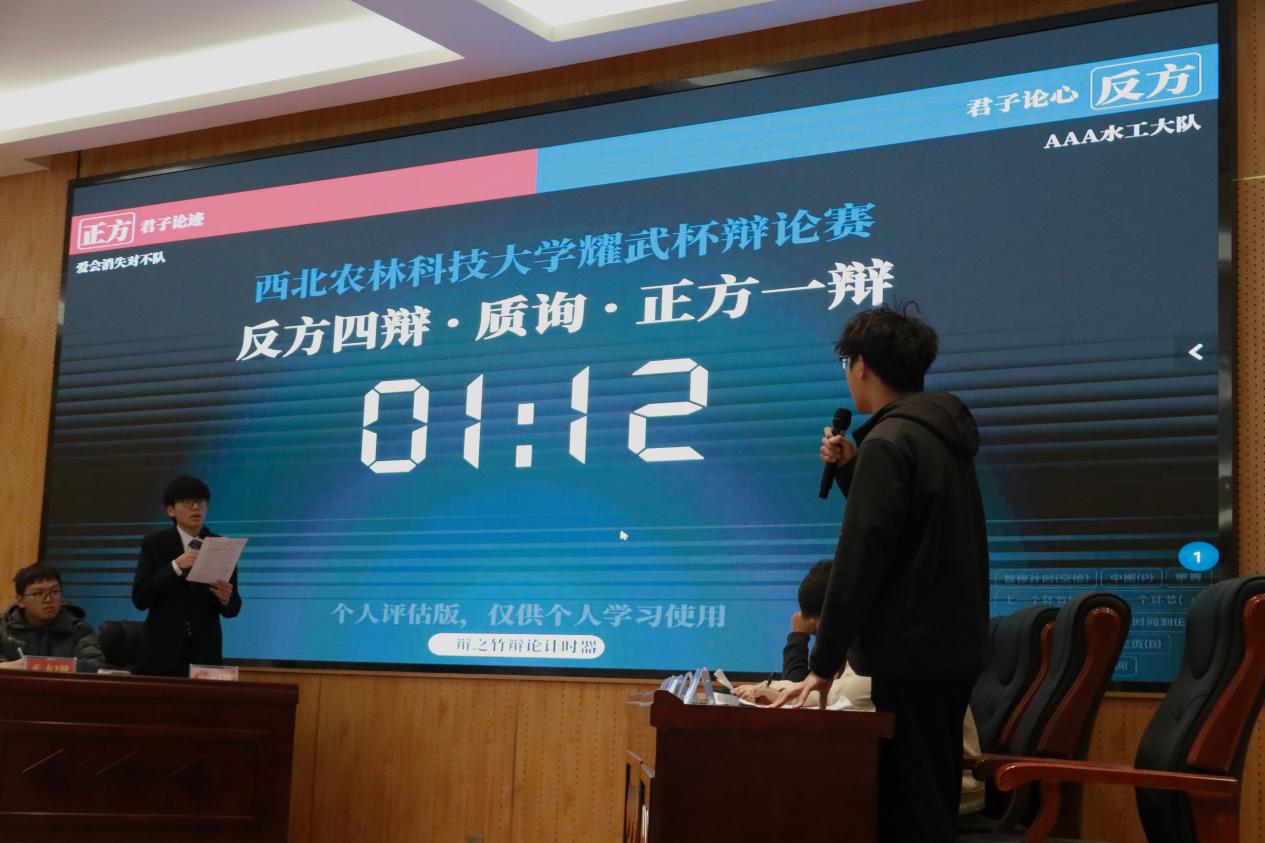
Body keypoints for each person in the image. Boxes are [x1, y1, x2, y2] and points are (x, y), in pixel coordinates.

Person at [774, 305, 990, 843]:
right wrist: (854, 469)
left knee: (907, 815)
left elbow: (861, 558)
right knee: (929, 804)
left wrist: (823, 664)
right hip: (946, 651)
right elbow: (908, 530)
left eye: (846, 363)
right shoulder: (936, 434)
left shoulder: (889, 442)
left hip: (910, 656)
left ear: (862, 365)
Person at [736, 558, 984, 815]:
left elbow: (832, 697)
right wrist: (766, 689)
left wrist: (772, 692)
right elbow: (821, 688)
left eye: (821, 629)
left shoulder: (885, 653)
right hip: (916, 781)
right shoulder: (863, 648)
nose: (824, 639)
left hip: (947, 793)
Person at [132, 475, 241, 676]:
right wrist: (175, 567)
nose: (195, 507)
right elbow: (140, 598)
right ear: (170, 510)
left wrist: (227, 598)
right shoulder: (154, 544)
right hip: (160, 654)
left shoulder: (222, 546)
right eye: (187, 502)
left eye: (201, 501)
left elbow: (233, 608)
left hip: (205, 653)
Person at [0, 563, 105, 671]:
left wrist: (37, 665)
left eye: (55, 591)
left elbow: (96, 665)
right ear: (20, 601)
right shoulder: (2, 627)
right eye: (38, 593)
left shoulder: (78, 629)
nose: (48, 599)